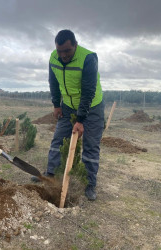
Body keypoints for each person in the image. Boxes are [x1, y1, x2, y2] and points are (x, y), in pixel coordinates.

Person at [31, 30, 104, 201]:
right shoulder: (53, 58)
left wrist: (80, 120)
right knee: (58, 140)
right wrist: (56, 105)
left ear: (75, 46)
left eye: (67, 51)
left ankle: (89, 183)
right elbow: (53, 82)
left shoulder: (88, 58)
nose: (63, 55)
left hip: (91, 106)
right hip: (68, 106)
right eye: (60, 51)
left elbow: (88, 91)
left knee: (91, 145)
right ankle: (50, 174)